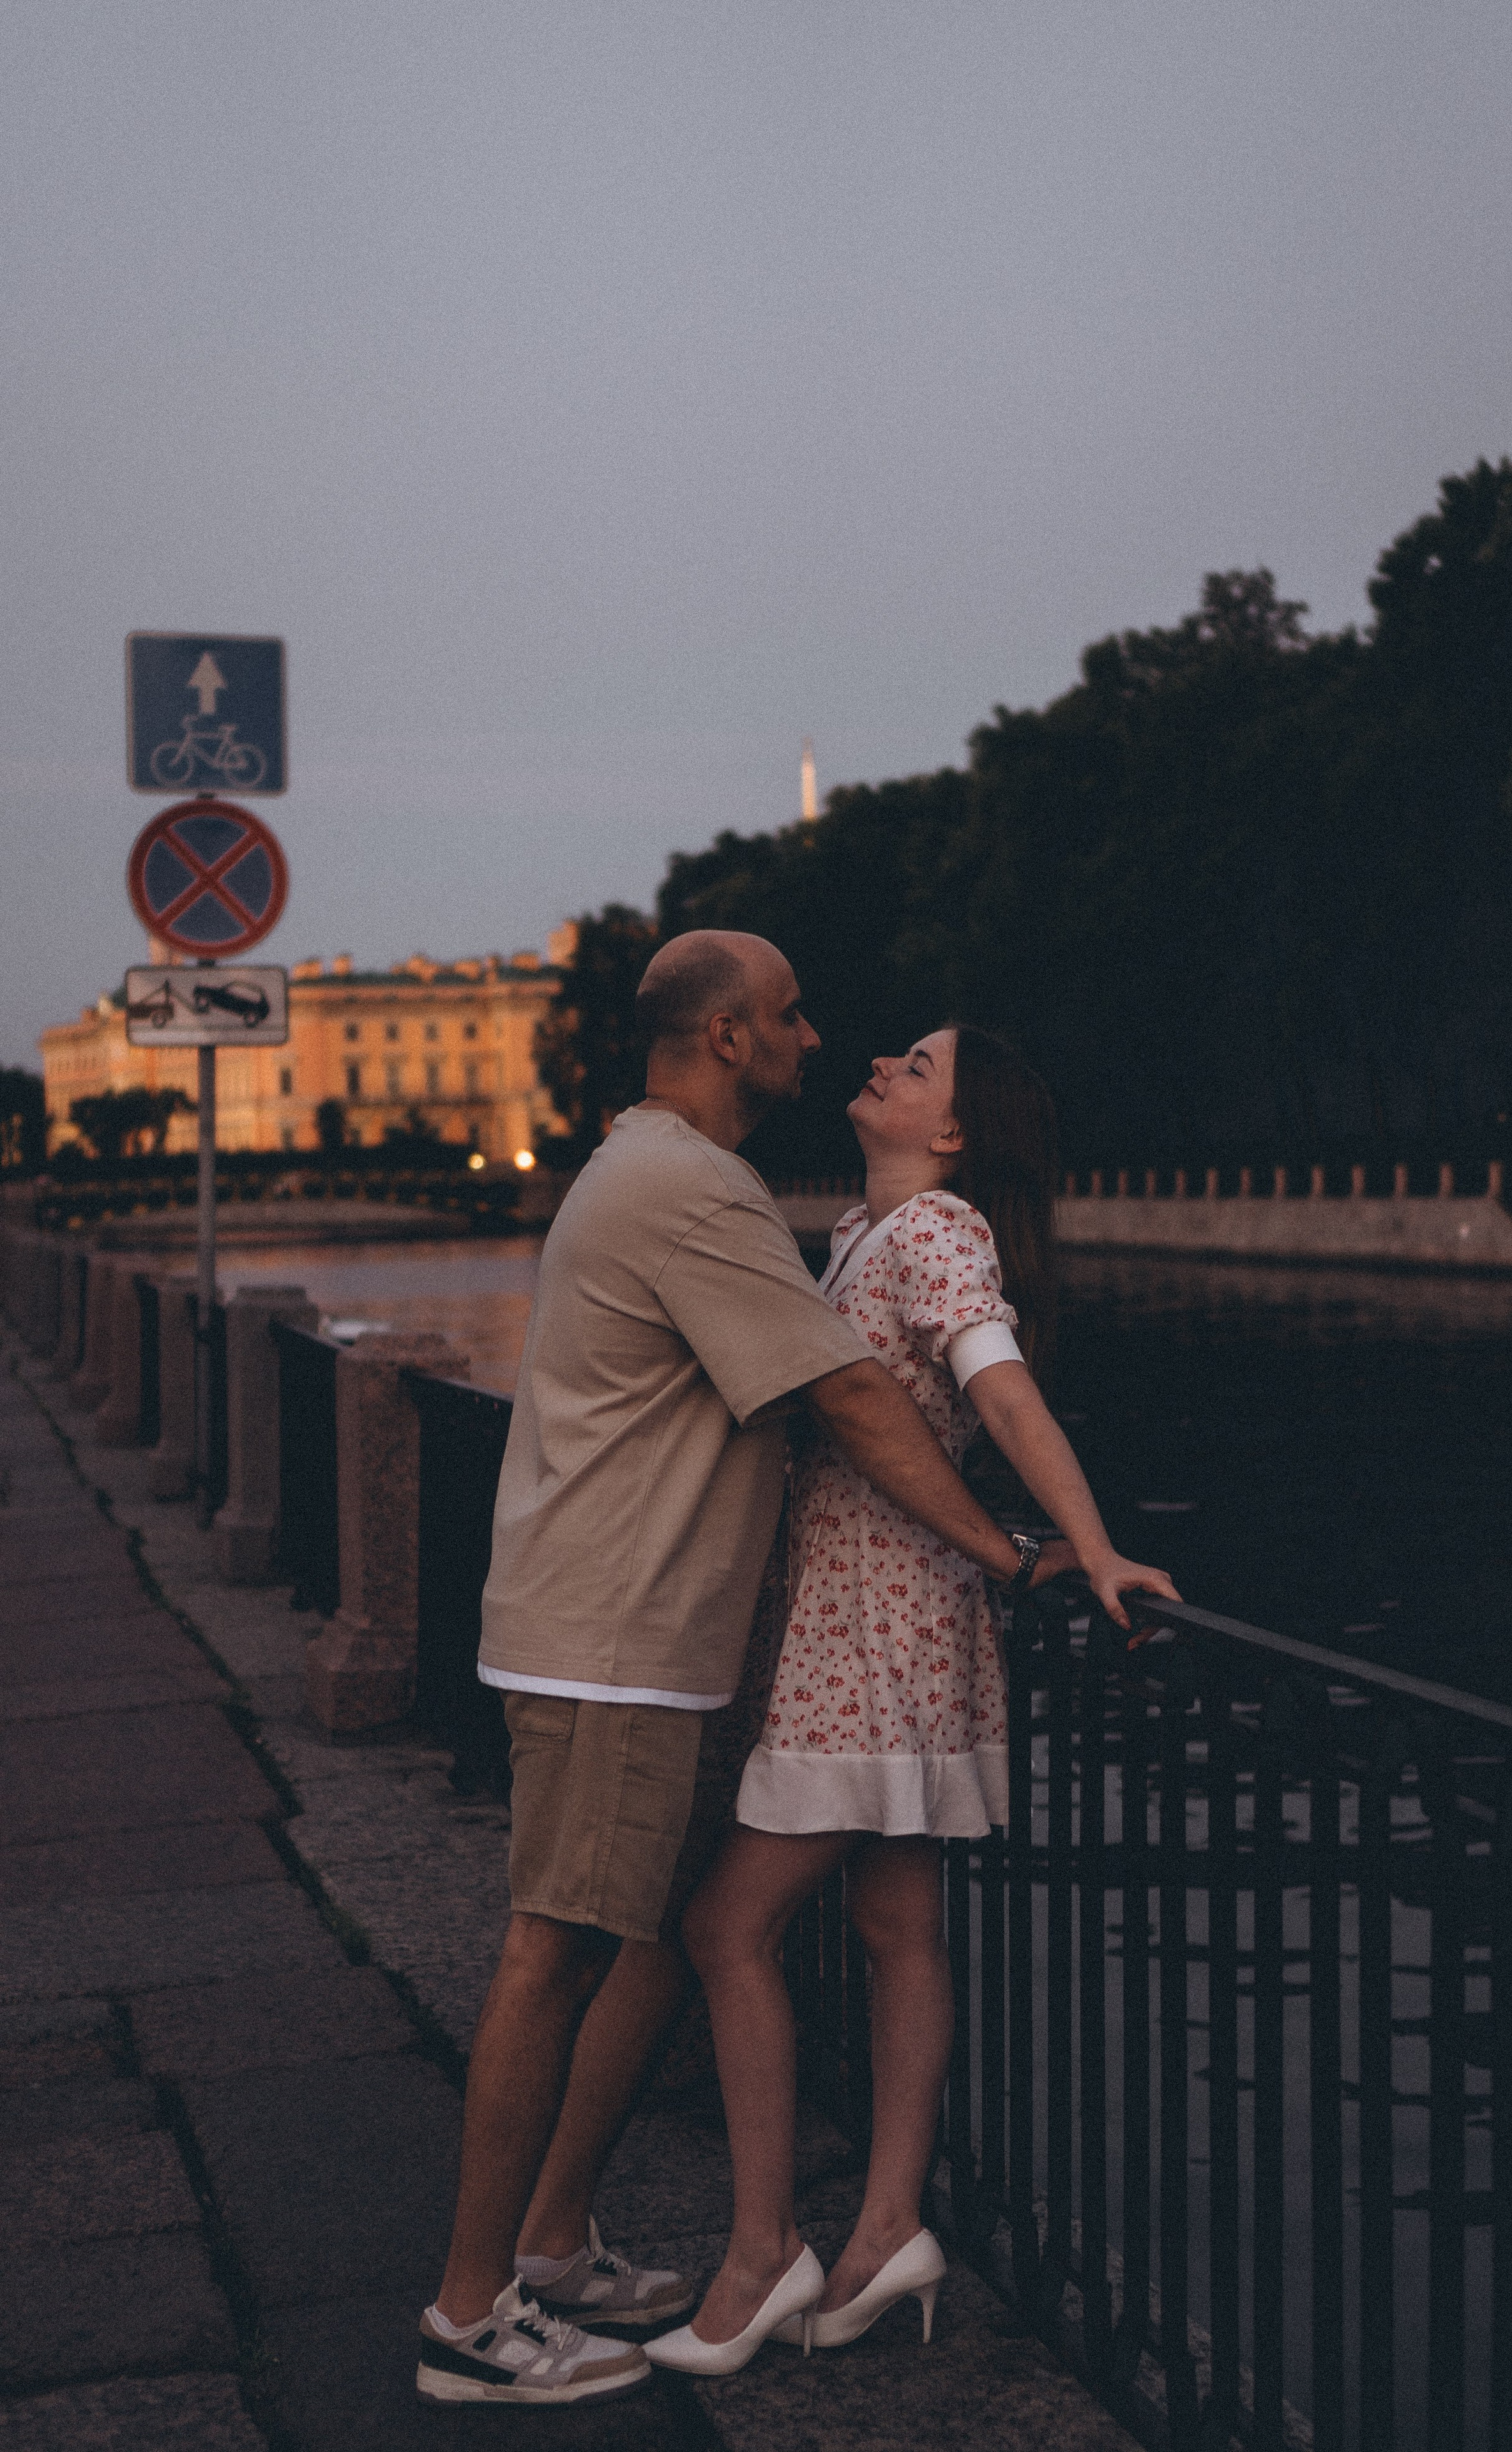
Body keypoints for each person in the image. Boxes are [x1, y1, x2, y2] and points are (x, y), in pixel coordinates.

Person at [417, 944, 1078, 2408]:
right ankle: (470, 2318)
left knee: (656, 1935)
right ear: (727, 1036)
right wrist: (1012, 1553)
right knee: (559, 1945)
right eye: (787, 1017)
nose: (814, 1035)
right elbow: (845, 1395)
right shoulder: (696, 1192)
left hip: (661, 1632)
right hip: (617, 1638)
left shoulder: (660, 1170)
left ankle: (556, 2233)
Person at [649, 1025, 1179, 2377]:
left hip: (872, 1628)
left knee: (724, 1927)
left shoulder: (937, 1228)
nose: (884, 1064)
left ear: (954, 1135)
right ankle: (889, 2226)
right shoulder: (858, 1234)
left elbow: (1000, 1392)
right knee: (895, 1921)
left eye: (919, 1066)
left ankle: (763, 2252)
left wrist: (1093, 1542)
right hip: (878, 1617)